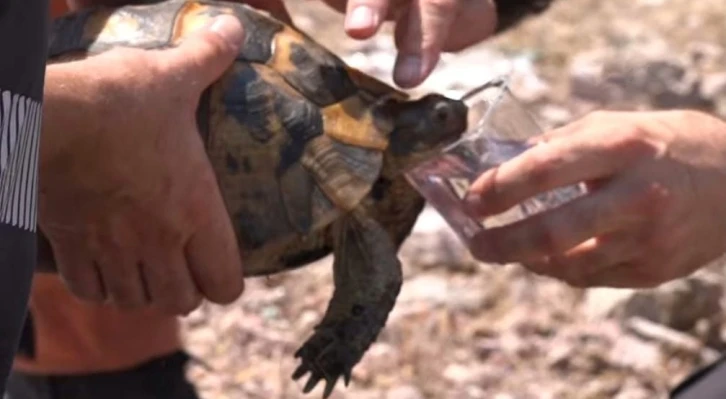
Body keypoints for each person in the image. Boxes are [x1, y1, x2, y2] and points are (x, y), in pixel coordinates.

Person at [1, 0, 557, 398]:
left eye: (441, 117)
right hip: (69, 215)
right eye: (437, 118)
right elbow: (376, 274)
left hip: (102, 275)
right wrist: (60, 129)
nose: (449, 119)